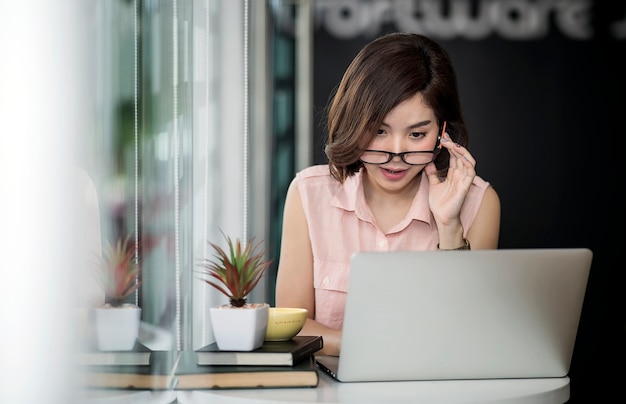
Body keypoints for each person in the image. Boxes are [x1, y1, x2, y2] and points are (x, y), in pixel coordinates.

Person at [275, 32, 501, 356]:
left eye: (417, 134)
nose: (396, 152)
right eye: (379, 131)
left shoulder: (480, 204)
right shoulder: (308, 195)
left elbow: (465, 329)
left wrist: (450, 227)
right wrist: (378, 346)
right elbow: (292, 328)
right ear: (355, 121)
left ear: (442, 133)